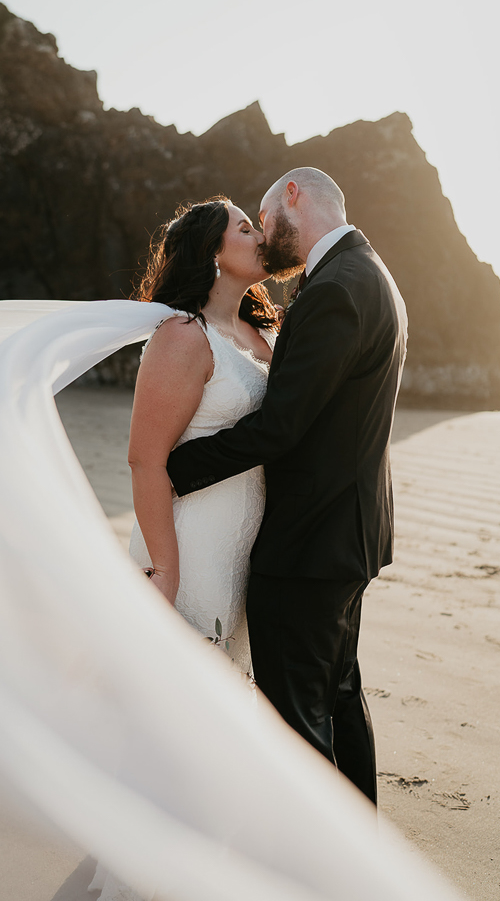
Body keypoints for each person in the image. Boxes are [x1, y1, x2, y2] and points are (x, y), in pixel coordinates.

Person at [167, 167, 408, 804]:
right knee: (337, 699)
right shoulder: (366, 274)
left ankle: (312, 869)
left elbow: (281, 427)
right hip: (344, 537)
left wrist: (177, 470)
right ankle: (358, 854)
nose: (262, 234)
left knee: (295, 725)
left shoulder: (337, 287)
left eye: (263, 218)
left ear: (293, 198)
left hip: (309, 543)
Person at [127, 196, 279, 676]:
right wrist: (165, 569)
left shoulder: (263, 334)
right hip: (191, 544)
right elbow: (145, 461)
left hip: (247, 544)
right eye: (246, 229)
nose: (261, 238)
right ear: (213, 252)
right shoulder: (183, 334)